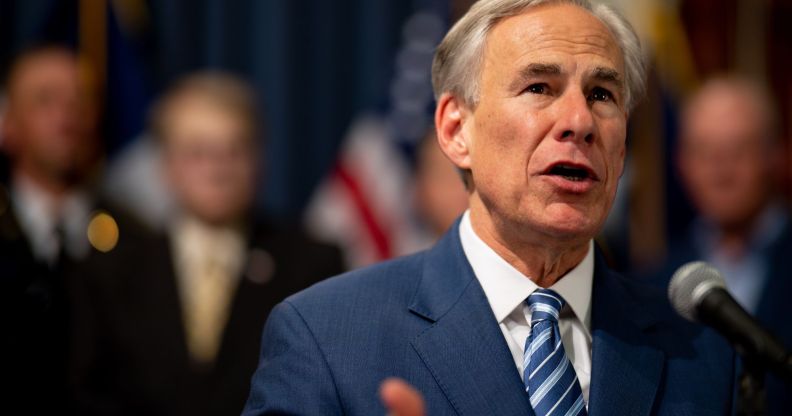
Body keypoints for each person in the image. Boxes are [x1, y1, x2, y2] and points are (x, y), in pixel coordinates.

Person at [243, 1, 735, 415]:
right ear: (457, 131)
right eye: (539, 87)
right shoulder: (326, 338)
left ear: (623, 149)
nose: (580, 121)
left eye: (602, 94)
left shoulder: (703, 352)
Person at [69, 73, 345, 416]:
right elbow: (86, 395)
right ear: (166, 165)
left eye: (234, 150)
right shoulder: (109, 271)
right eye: (198, 152)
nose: (218, 169)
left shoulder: (313, 264)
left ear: (259, 160)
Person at [0, 45, 140, 415]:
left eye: (80, 100)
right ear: (9, 123)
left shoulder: (139, 242)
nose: (67, 115)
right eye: (45, 100)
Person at [655, 75, 791, 415]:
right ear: (681, 163)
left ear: (775, 154)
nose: (721, 169)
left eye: (737, 149)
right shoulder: (653, 283)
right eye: (703, 151)